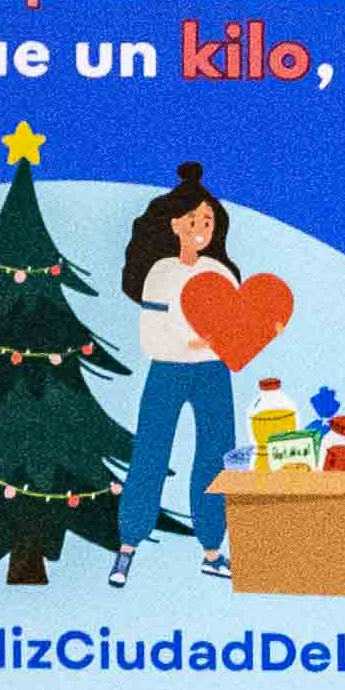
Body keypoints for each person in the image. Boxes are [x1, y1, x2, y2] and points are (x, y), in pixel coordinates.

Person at [112, 166, 246, 583]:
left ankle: (211, 549)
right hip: (168, 370)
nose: (201, 227)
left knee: (216, 455)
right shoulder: (161, 273)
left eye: (207, 221)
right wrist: (193, 343)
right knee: (151, 452)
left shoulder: (221, 273)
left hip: (212, 373)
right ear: (174, 224)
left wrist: (247, 333)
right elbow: (154, 333)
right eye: (193, 220)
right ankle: (127, 545)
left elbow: (235, 332)